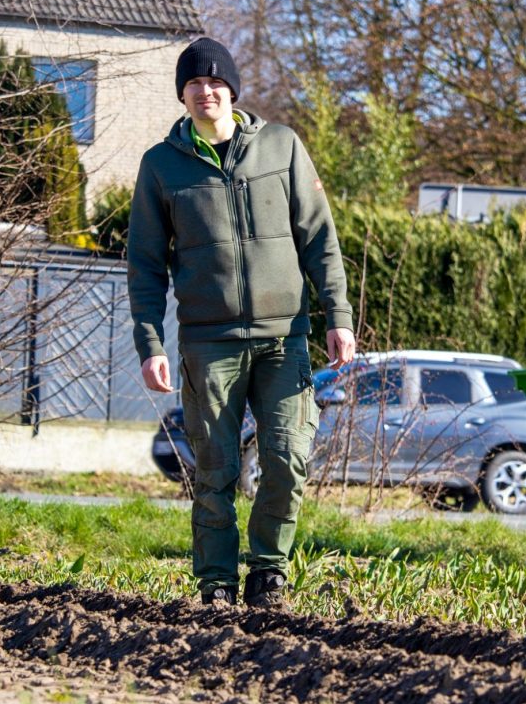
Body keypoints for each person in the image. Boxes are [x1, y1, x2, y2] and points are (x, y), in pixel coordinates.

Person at [127, 37, 355, 606]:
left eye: (214, 81)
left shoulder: (281, 146)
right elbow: (146, 264)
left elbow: (319, 238)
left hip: (285, 338)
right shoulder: (161, 166)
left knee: (286, 456)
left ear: (232, 89)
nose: (205, 91)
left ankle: (268, 573)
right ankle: (216, 585)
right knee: (216, 469)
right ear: (183, 94)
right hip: (210, 343)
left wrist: (338, 316)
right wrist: (150, 341)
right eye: (193, 83)